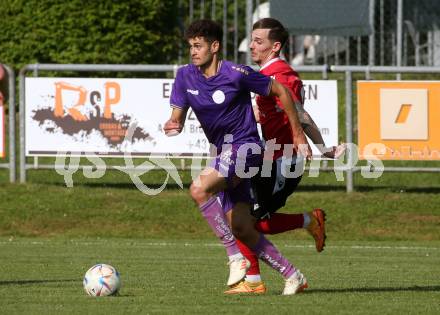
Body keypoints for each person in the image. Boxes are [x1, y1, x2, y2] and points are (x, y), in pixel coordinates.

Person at [163, 19, 312, 295]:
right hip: (224, 152)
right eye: (190, 46)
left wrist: (299, 135)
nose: (193, 52)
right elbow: (177, 115)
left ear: (215, 46)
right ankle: (293, 276)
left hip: (247, 149)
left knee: (199, 188)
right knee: (243, 226)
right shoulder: (185, 76)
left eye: (198, 46)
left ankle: (235, 257)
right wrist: (174, 123)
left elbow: (281, 91)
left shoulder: (236, 73)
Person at [225, 17, 346, 294]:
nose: (252, 46)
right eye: (252, 39)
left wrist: (319, 147)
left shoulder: (280, 75)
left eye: (259, 41)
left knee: (244, 219)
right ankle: (307, 222)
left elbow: (299, 112)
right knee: (249, 219)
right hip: (269, 158)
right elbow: (279, 112)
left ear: (275, 46)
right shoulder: (265, 73)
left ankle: (254, 280)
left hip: (284, 161)